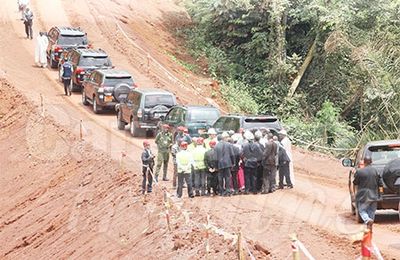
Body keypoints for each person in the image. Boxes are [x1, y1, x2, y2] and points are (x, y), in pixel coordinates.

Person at [353, 156, 382, 229]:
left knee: (362, 210)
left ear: (364, 162)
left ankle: (367, 220)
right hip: (374, 196)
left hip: (363, 196)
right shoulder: (375, 171)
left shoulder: (360, 171)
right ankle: (370, 225)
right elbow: (380, 184)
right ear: (371, 162)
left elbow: (355, 182)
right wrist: (380, 194)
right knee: (372, 211)